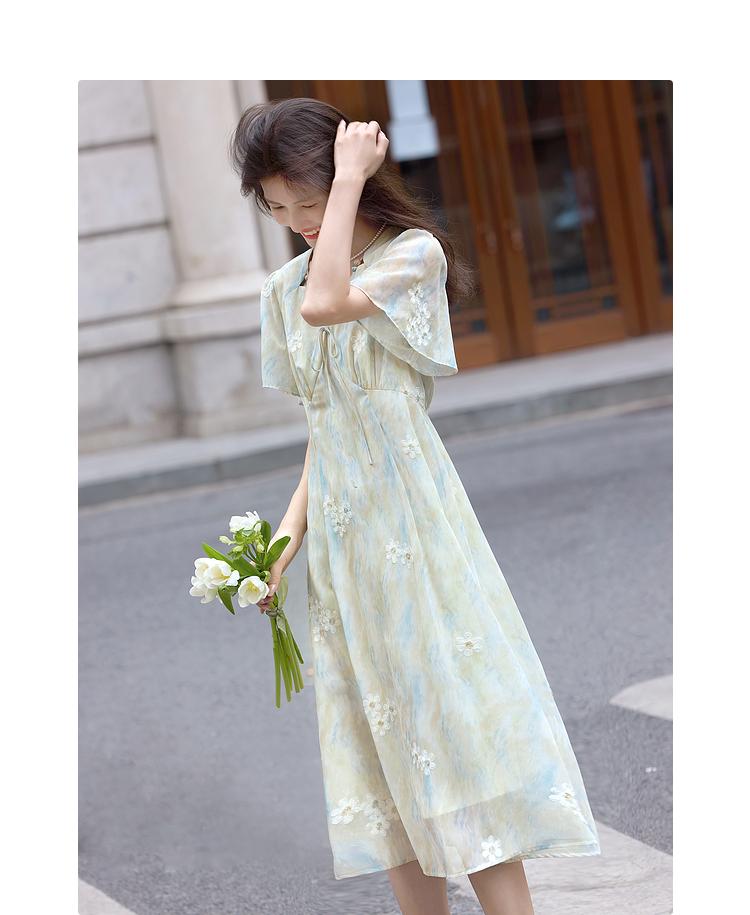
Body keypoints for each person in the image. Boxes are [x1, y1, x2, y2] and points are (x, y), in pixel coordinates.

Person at [229, 97, 600, 915]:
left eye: (307, 199)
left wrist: (350, 180)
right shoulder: (280, 289)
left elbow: (328, 302)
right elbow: (325, 426)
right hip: (344, 548)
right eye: (277, 207)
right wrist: (283, 542)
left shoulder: (411, 256)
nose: (294, 222)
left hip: (414, 528)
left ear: (351, 182)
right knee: (383, 755)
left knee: (459, 739)